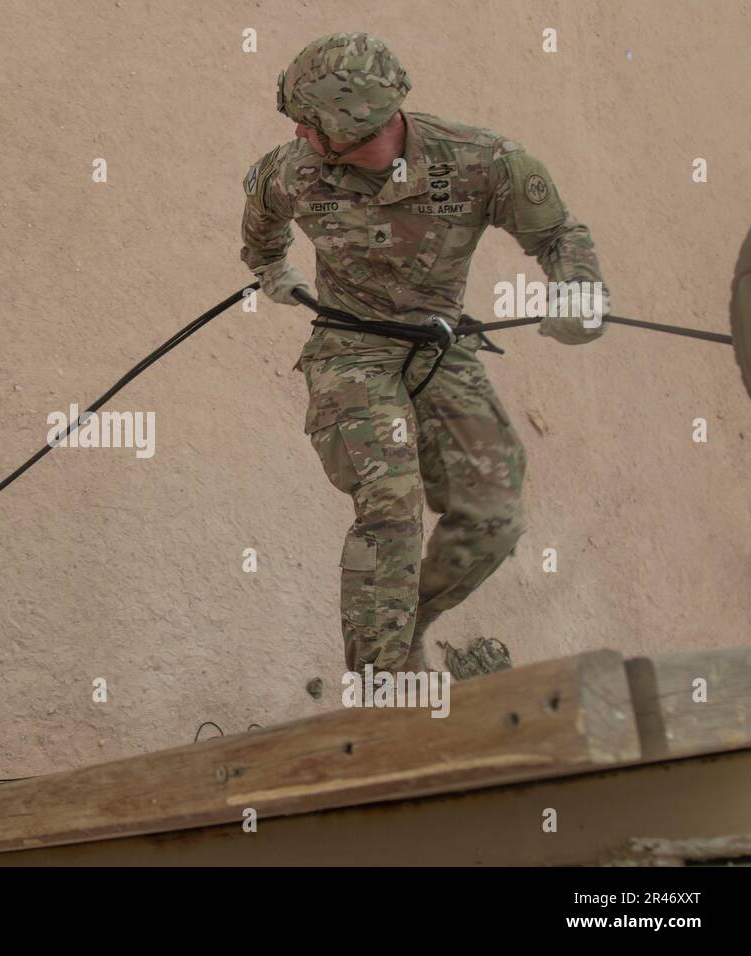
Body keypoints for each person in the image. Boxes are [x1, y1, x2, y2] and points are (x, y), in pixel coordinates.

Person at [240, 32, 609, 675]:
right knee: (391, 509)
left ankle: (406, 622)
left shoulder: (481, 161)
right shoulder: (293, 171)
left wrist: (579, 291)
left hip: (438, 344)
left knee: (493, 515)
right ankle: (383, 689)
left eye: (309, 123)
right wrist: (270, 268)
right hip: (350, 351)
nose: (297, 132)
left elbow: (558, 234)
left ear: (354, 126)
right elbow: (261, 218)